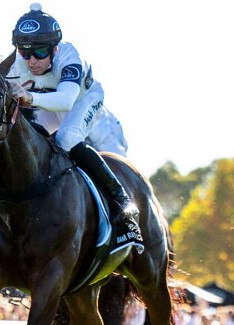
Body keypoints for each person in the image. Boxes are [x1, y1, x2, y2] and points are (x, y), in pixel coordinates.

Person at [7, 3, 143, 253]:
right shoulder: (17, 62)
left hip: (82, 100)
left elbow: (66, 100)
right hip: (49, 102)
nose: (31, 61)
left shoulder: (69, 58)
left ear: (54, 47)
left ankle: (121, 203)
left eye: (38, 52)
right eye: (24, 53)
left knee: (67, 137)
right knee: (27, 137)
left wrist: (30, 98)